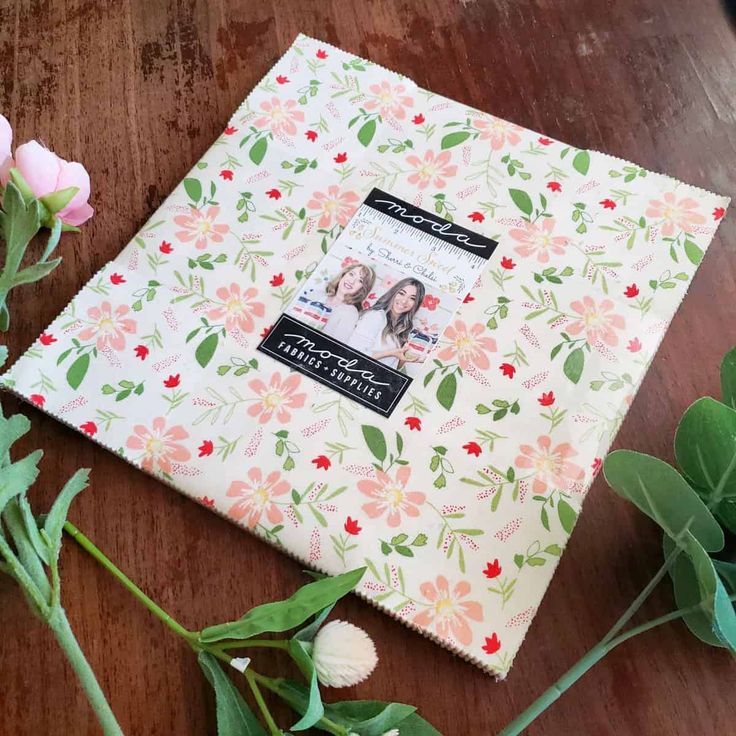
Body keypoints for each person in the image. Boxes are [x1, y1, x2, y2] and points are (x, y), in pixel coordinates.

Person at [347, 277, 426, 369]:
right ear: (394, 293)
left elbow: (393, 366)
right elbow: (353, 354)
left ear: (416, 304)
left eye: (412, 298)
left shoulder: (403, 327)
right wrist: (392, 353)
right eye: (401, 293)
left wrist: (405, 359)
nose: (404, 301)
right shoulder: (376, 316)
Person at [292, 263, 375, 340]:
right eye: (351, 274)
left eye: (360, 281)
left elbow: (333, 346)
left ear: (362, 289)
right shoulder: (316, 295)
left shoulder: (350, 313)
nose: (351, 281)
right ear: (343, 275)